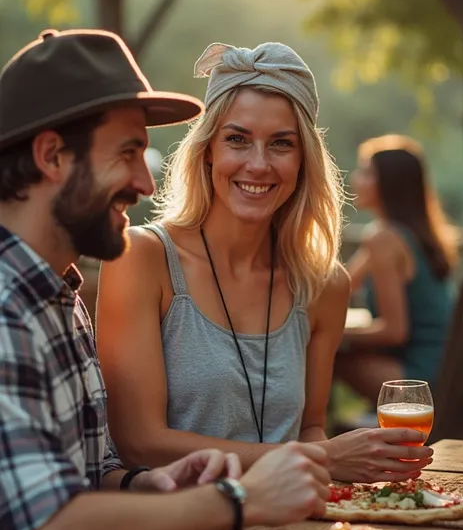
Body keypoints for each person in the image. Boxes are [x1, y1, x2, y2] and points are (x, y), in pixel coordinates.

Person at [0, 29, 333, 530]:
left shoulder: (58, 298)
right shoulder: (4, 315)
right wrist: (237, 500)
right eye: (127, 154)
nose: (146, 183)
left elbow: (91, 472)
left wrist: (150, 482)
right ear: (51, 157)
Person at [97, 41, 433, 482]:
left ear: (303, 161)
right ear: (208, 149)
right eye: (237, 139)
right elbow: (140, 441)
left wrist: (323, 458)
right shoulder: (142, 256)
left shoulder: (324, 285)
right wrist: (323, 460)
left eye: (281, 144)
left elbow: (310, 427)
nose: (258, 164)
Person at [336, 134, 458, 405]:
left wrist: (326, 331)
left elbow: (394, 331)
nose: (355, 179)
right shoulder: (412, 234)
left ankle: (313, 437)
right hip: (451, 374)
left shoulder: (384, 238)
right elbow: (340, 285)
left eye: (367, 173)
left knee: (324, 354)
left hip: (422, 379)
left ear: (389, 185)